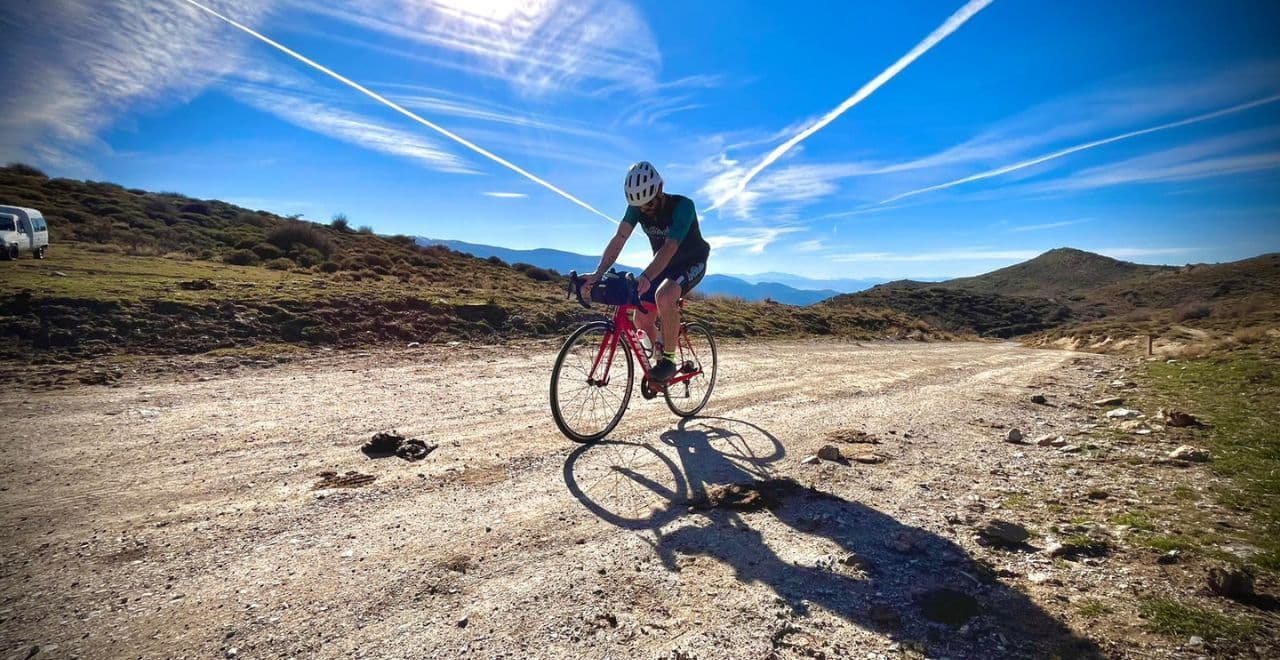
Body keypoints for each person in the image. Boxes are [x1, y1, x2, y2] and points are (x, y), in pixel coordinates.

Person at [584, 161, 710, 384]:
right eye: (639, 206)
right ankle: (658, 357)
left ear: (660, 190)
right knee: (641, 316)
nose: (644, 210)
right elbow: (620, 238)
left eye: (648, 204)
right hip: (663, 263)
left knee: (665, 295)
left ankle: (668, 362)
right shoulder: (637, 206)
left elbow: (671, 246)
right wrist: (598, 272)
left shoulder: (683, 206)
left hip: (692, 260)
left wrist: (646, 277)